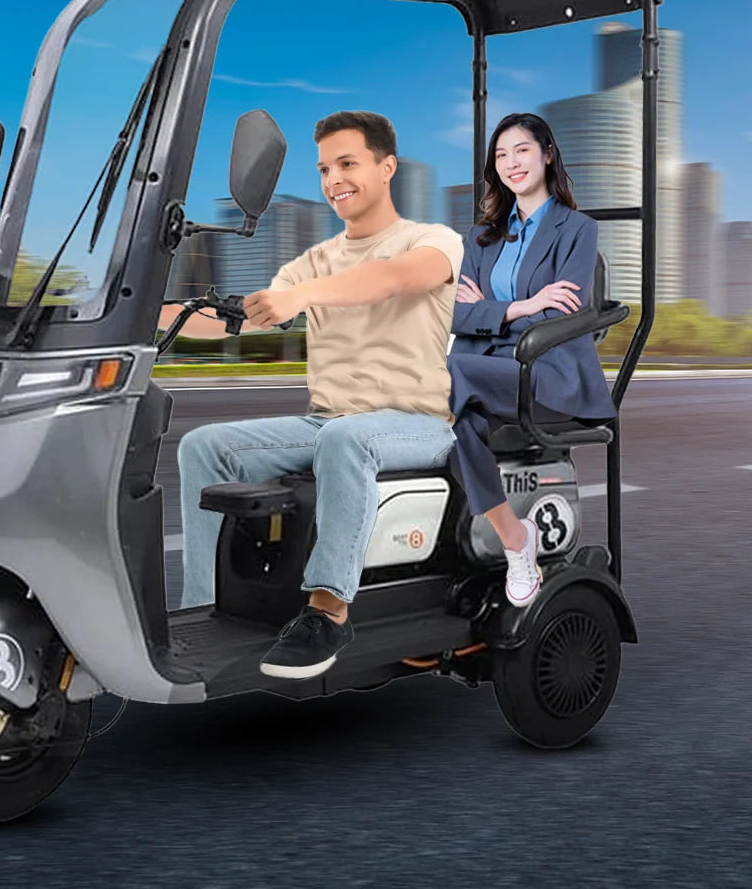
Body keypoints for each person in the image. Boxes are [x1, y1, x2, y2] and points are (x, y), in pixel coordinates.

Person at [158, 111, 463, 680]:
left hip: (414, 423)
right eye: (324, 168)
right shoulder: (314, 261)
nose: (333, 179)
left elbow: (394, 279)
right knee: (203, 447)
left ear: (386, 166)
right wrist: (135, 317)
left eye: (347, 163)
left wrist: (301, 297)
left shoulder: (432, 240)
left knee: (348, 439)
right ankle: (206, 607)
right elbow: (240, 319)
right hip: (327, 422)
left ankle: (328, 610)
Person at [447, 112, 616, 607]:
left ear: (546, 154)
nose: (511, 162)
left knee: (444, 374)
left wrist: (488, 313)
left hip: (545, 373)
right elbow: (454, 315)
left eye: (521, 150)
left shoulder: (577, 229)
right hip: (488, 373)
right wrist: (523, 305)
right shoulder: (480, 238)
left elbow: (565, 312)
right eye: (500, 155)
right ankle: (515, 539)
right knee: (459, 423)